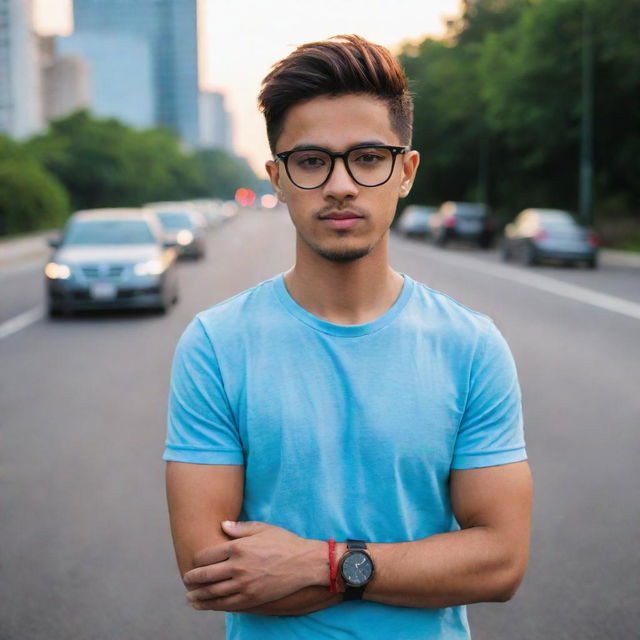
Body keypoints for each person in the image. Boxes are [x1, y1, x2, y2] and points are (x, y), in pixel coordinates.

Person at [164, 34, 532, 640]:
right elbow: (212, 573)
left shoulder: (471, 346)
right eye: (311, 161)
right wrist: (418, 566)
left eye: (367, 157)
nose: (340, 184)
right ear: (277, 179)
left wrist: (320, 563)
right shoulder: (216, 346)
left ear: (405, 172)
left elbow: (501, 563)